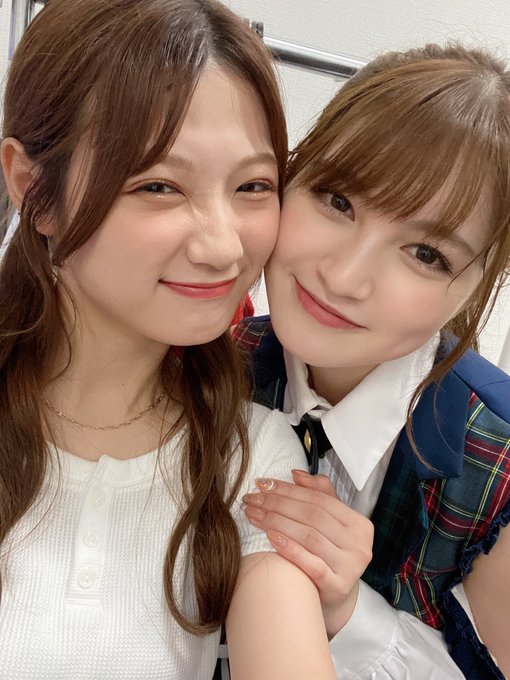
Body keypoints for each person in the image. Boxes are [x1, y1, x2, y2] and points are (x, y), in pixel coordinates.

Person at [0, 1, 336, 678]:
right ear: (36, 191)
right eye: (158, 185)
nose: (222, 247)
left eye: (253, 185)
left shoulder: (248, 455)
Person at [236, 44, 510, 679]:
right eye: (337, 200)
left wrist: (349, 613)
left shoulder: (497, 469)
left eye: (425, 253)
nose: (344, 277)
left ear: (478, 286)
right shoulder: (208, 368)